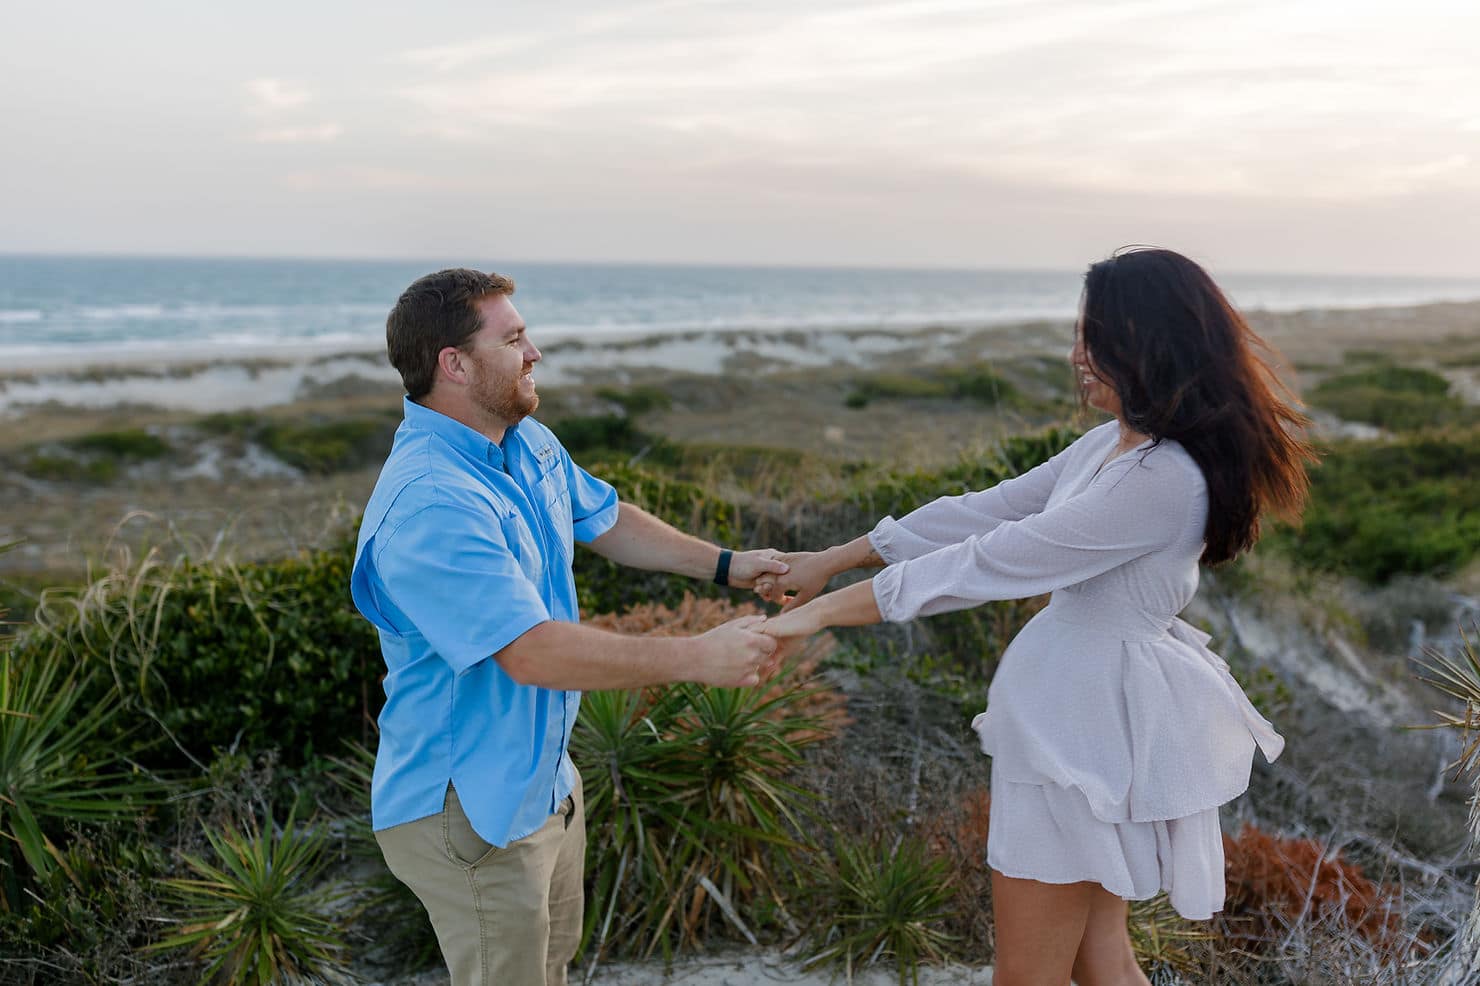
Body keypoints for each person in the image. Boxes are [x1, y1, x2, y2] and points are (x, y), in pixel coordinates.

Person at [758, 247, 1315, 986]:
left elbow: (990, 560)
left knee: (1028, 976)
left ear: (1150, 342)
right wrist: (838, 555)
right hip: (1082, 719)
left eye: (1097, 336)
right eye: (1079, 332)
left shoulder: (1158, 480)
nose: (1077, 354)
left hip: (1079, 734)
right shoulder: (1115, 448)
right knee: (1101, 962)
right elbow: (985, 511)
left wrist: (816, 616)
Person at [349, 268, 787, 986]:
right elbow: (529, 652)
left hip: (544, 783)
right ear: (453, 365)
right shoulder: (432, 504)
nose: (535, 352)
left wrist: (730, 566)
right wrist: (697, 656)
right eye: (514, 338)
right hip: (470, 810)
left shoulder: (523, 442)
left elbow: (605, 519)